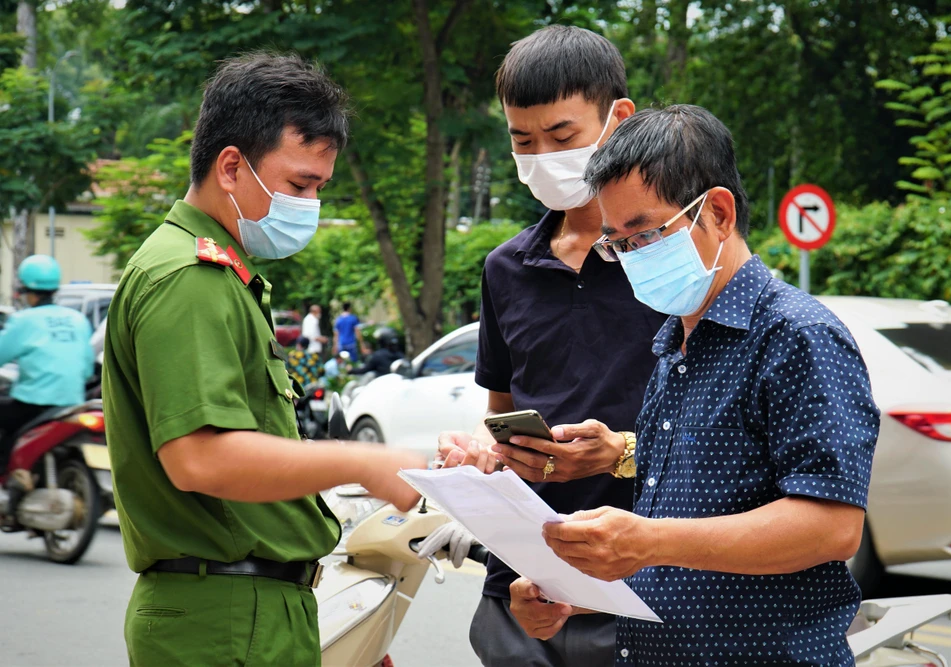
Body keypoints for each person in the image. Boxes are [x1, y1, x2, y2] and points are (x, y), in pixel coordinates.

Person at [509, 106, 880, 666]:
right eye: (617, 243)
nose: (633, 258)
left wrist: (648, 541)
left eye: (646, 233)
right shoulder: (673, 346)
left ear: (719, 213)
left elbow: (832, 527)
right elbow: (684, 542)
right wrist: (571, 592)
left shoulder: (796, 335)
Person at [102, 53, 426, 667]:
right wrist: (363, 460)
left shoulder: (223, 275)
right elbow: (199, 457)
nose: (310, 205)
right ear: (231, 166)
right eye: (300, 186)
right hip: (227, 618)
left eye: (319, 188)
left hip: (250, 611)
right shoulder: (189, 278)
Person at [422, 26, 666, 667]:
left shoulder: (671, 260)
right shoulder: (506, 268)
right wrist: (483, 455)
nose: (543, 158)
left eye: (561, 137)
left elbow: (721, 435)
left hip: (648, 586)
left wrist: (621, 454)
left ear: (618, 119)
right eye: (523, 141)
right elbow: (502, 412)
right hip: (524, 586)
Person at [0, 256, 93, 474]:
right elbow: (87, 369)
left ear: (25, 289)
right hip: (72, 404)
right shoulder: (77, 319)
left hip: (33, 404)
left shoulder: (24, 320)